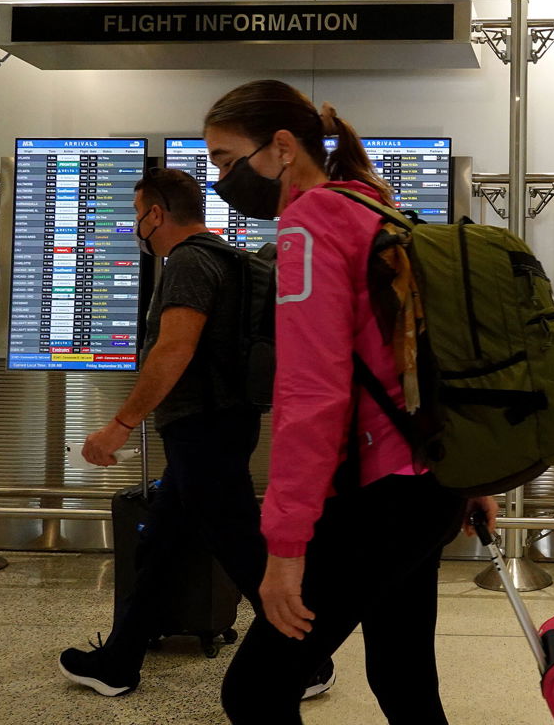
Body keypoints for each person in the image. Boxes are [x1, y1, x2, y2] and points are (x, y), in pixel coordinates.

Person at [206, 79, 497, 725]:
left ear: (281, 148)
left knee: (253, 692)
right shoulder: (374, 206)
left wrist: (285, 547)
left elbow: (312, 396)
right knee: (402, 674)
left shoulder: (309, 226)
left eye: (226, 159)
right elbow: (419, 361)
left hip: (378, 500)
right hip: (430, 484)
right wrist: (471, 474)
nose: (220, 178)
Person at [56, 167, 334, 701]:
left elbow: (175, 348)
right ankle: (119, 661)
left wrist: (119, 426)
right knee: (161, 546)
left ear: (155, 213)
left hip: (202, 428)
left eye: (138, 215)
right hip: (223, 423)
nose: (137, 227)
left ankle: (310, 662)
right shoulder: (229, 258)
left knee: (243, 551)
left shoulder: (187, 261)